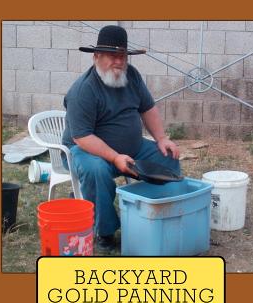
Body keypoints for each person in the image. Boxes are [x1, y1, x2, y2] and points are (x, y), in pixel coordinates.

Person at [62, 25, 181, 250]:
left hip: (133, 149)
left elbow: (148, 108)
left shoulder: (132, 76)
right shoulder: (83, 90)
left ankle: (160, 213)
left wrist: (162, 138)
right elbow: (82, 137)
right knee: (95, 170)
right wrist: (115, 156)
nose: (118, 61)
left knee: (168, 157)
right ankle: (104, 231)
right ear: (96, 56)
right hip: (88, 150)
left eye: (122, 56)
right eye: (112, 56)